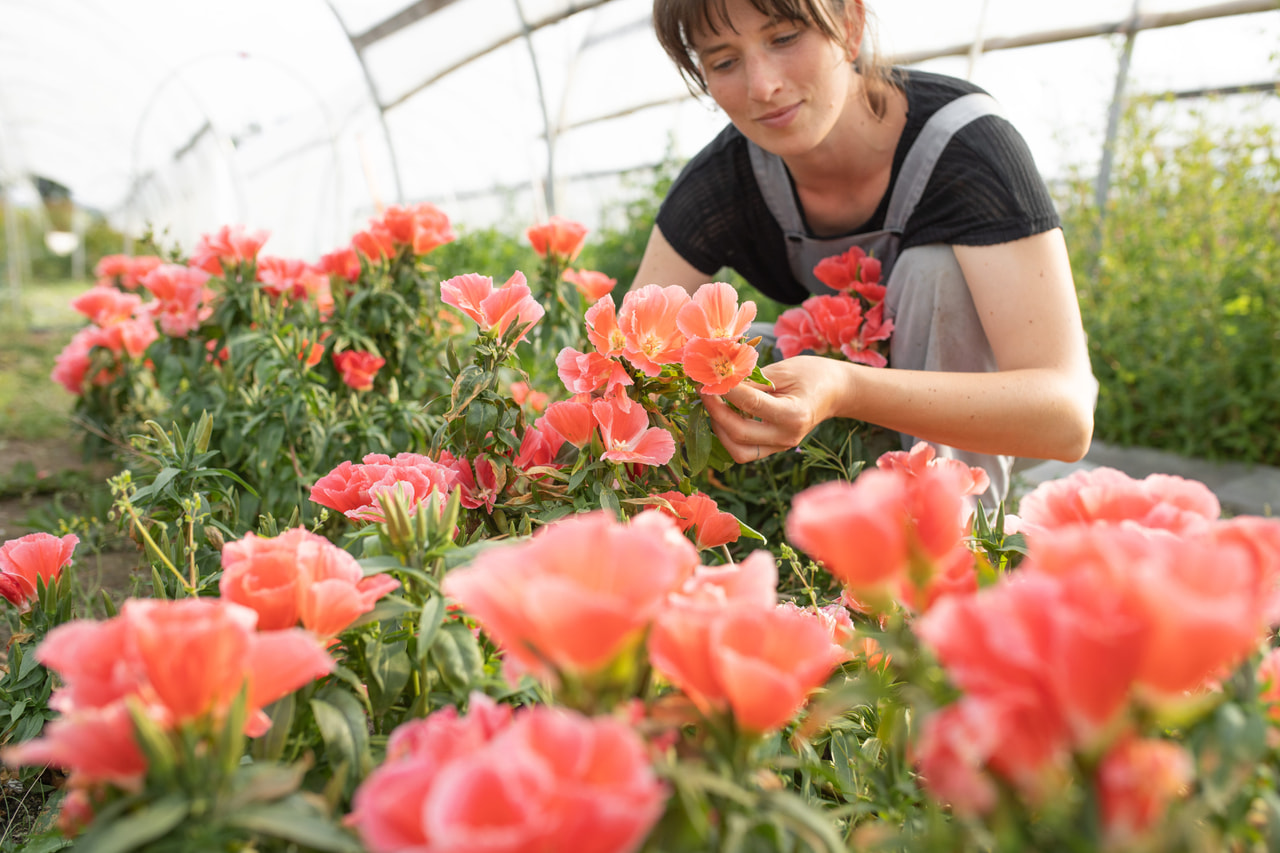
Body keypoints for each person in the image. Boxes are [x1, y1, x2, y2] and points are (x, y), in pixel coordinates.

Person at [633, 0, 1097, 502]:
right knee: (716, 360)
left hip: (995, 419)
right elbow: (627, 353)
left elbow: (1066, 420)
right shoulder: (721, 182)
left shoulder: (965, 145)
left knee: (936, 269)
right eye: (724, 61)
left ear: (850, 26)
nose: (762, 86)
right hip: (846, 415)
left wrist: (844, 387)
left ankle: (954, 535)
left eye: (785, 38)